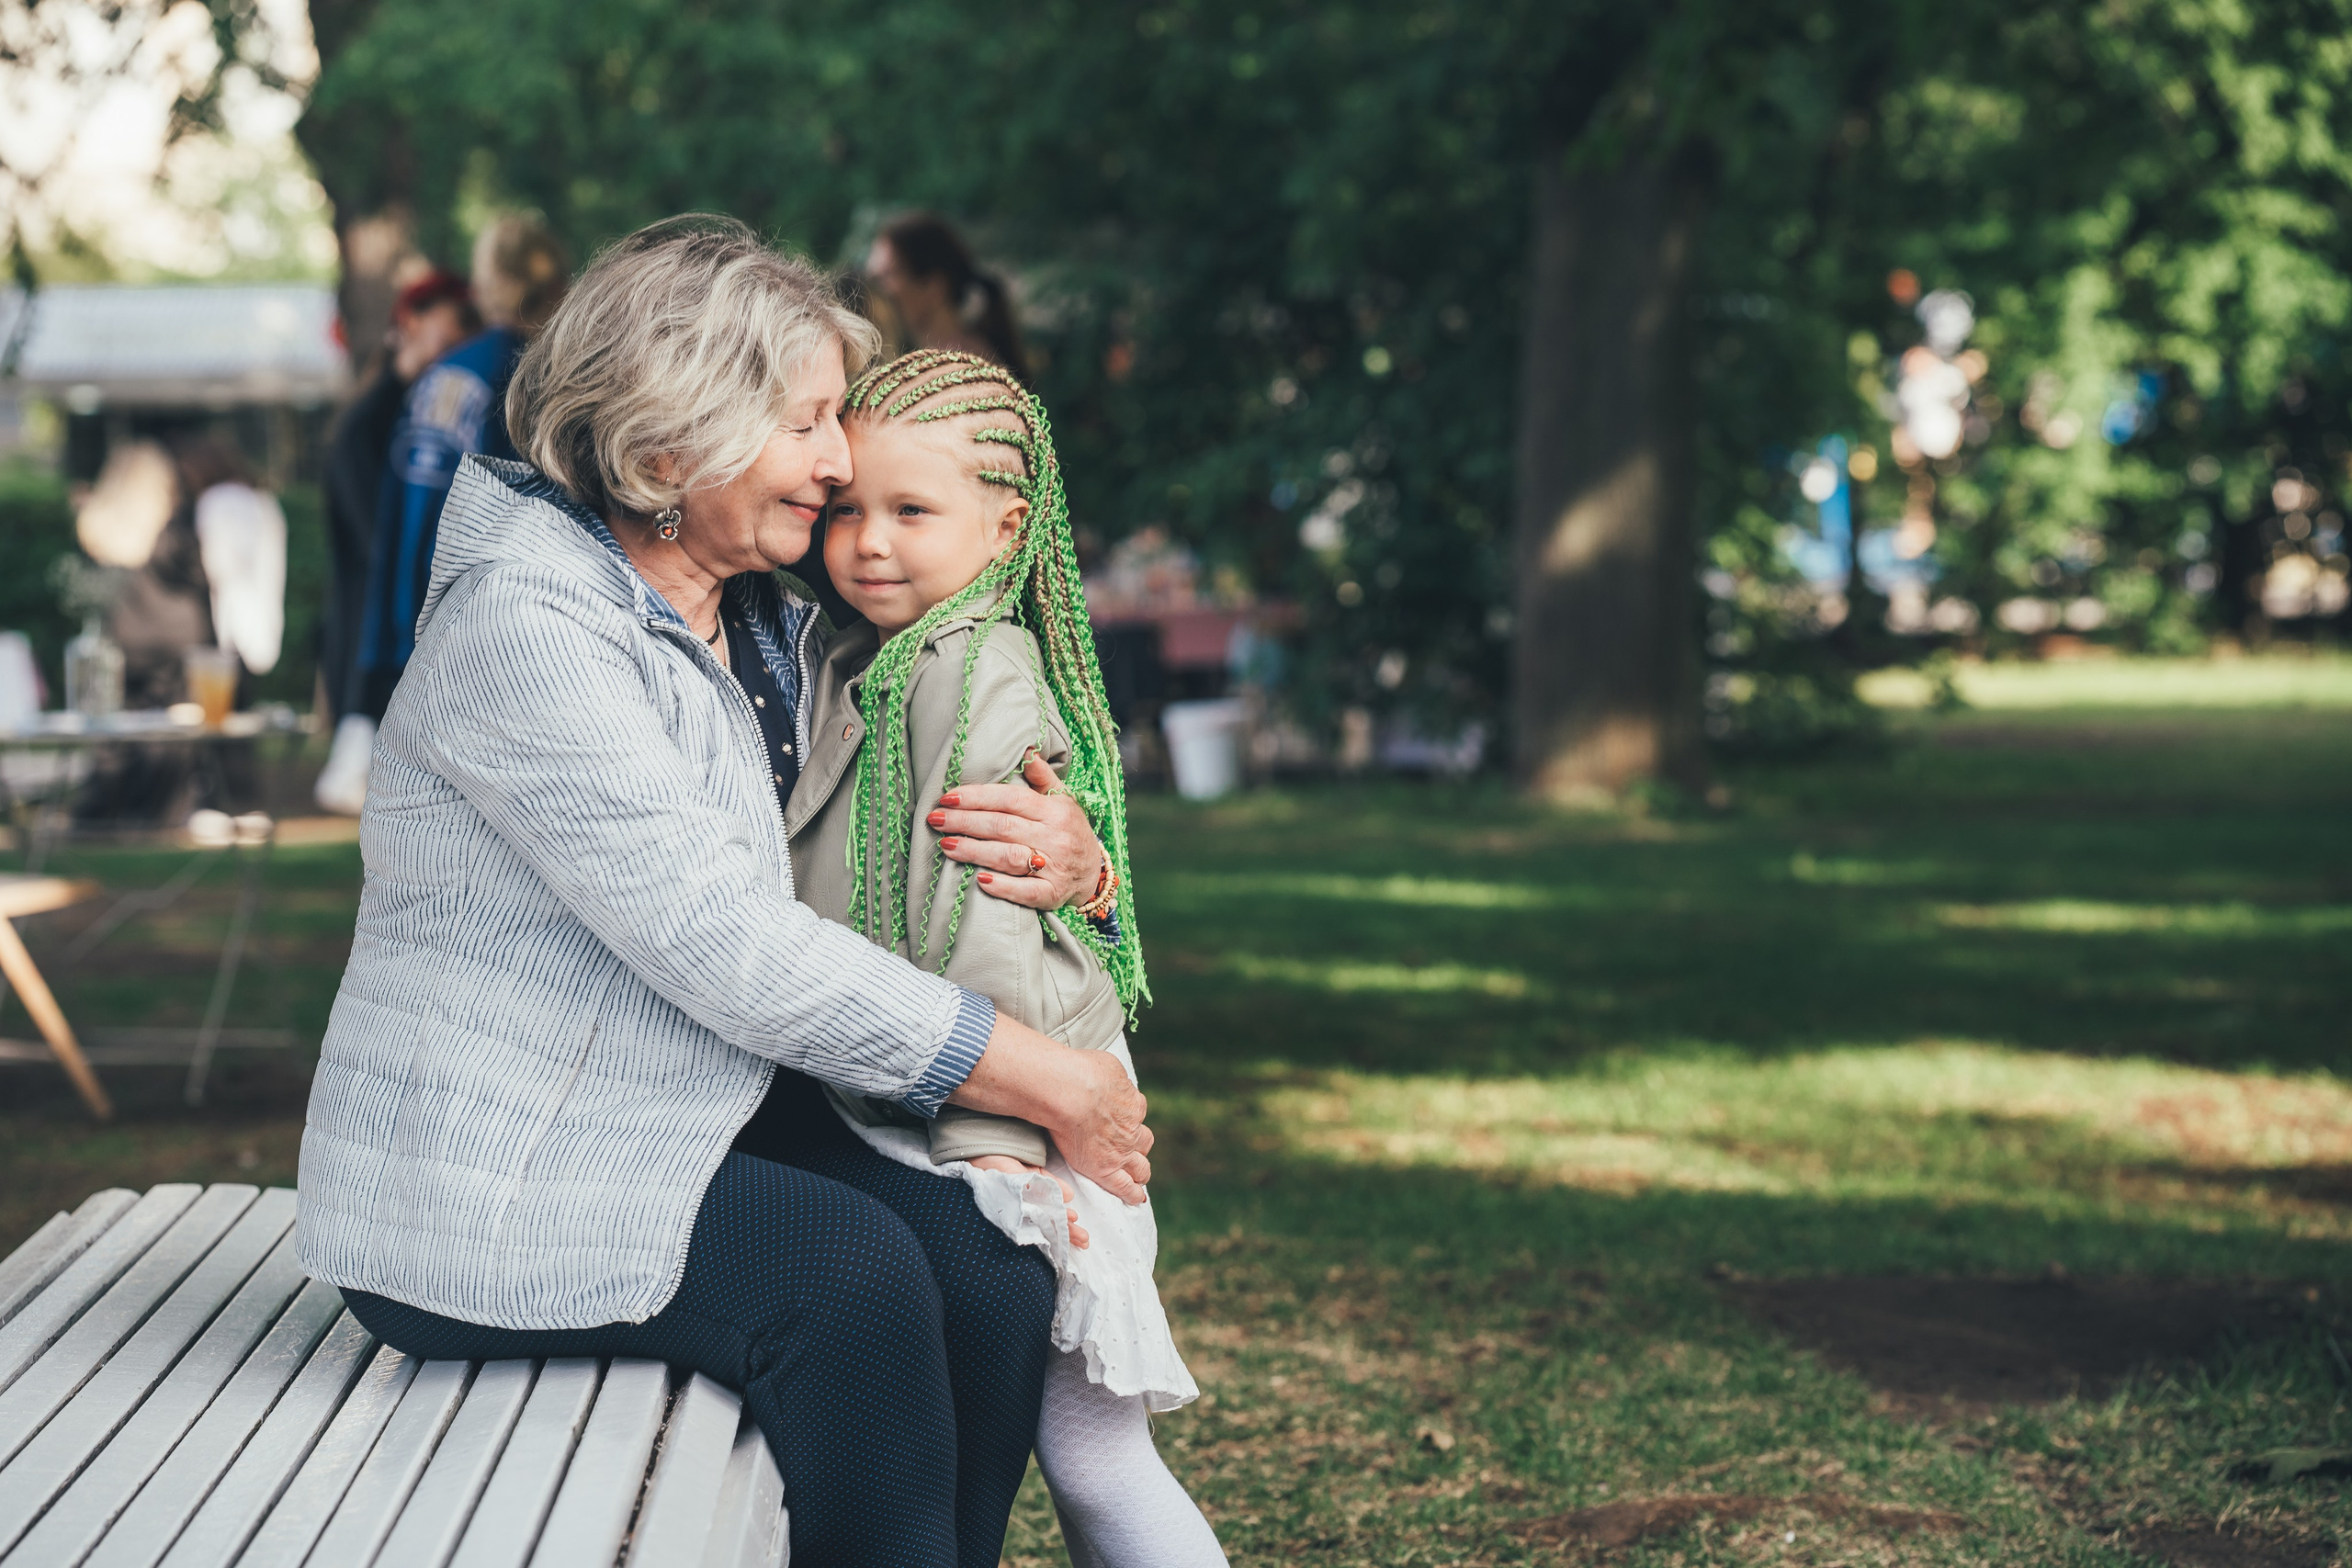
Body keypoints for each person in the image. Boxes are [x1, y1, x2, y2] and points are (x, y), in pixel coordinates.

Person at [294, 216, 1153, 1568]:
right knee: (849, 1280)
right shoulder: (530, 628)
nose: (838, 456)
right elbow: (724, 942)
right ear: (661, 453)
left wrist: (1081, 857)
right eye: (806, 420)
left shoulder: (769, 610)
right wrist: (1037, 1073)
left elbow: (950, 774)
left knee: (991, 1266)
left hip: (690, 1109)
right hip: (505, 1172)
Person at [797, 348, 1226, 1567]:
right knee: (1080, 1448)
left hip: (1027, 1121)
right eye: (845, 509)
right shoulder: (887, 652)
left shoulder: (977, 670)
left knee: (1094, 1452)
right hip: (989, 1094)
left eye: (910, 511)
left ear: (1007, 525)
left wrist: (992, 1132)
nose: (867, 541)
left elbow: (983, 912)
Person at [343, 218, 569, 738]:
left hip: (427, 630)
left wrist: (389, 644)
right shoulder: (550, 380)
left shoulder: (445, 377)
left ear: (484, 285)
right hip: (514, 638)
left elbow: (405, 517)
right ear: (559, 285)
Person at [314, 270, 477, 814]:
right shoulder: (371, 424)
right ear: (411, 322)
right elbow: (374, 539)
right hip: (377, 643)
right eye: (450, 339)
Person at [865, 213, 1031, 381]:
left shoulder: (961, 366)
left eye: (886, 276)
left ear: (934, 287)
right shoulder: (950, 360)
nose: (875, 290)